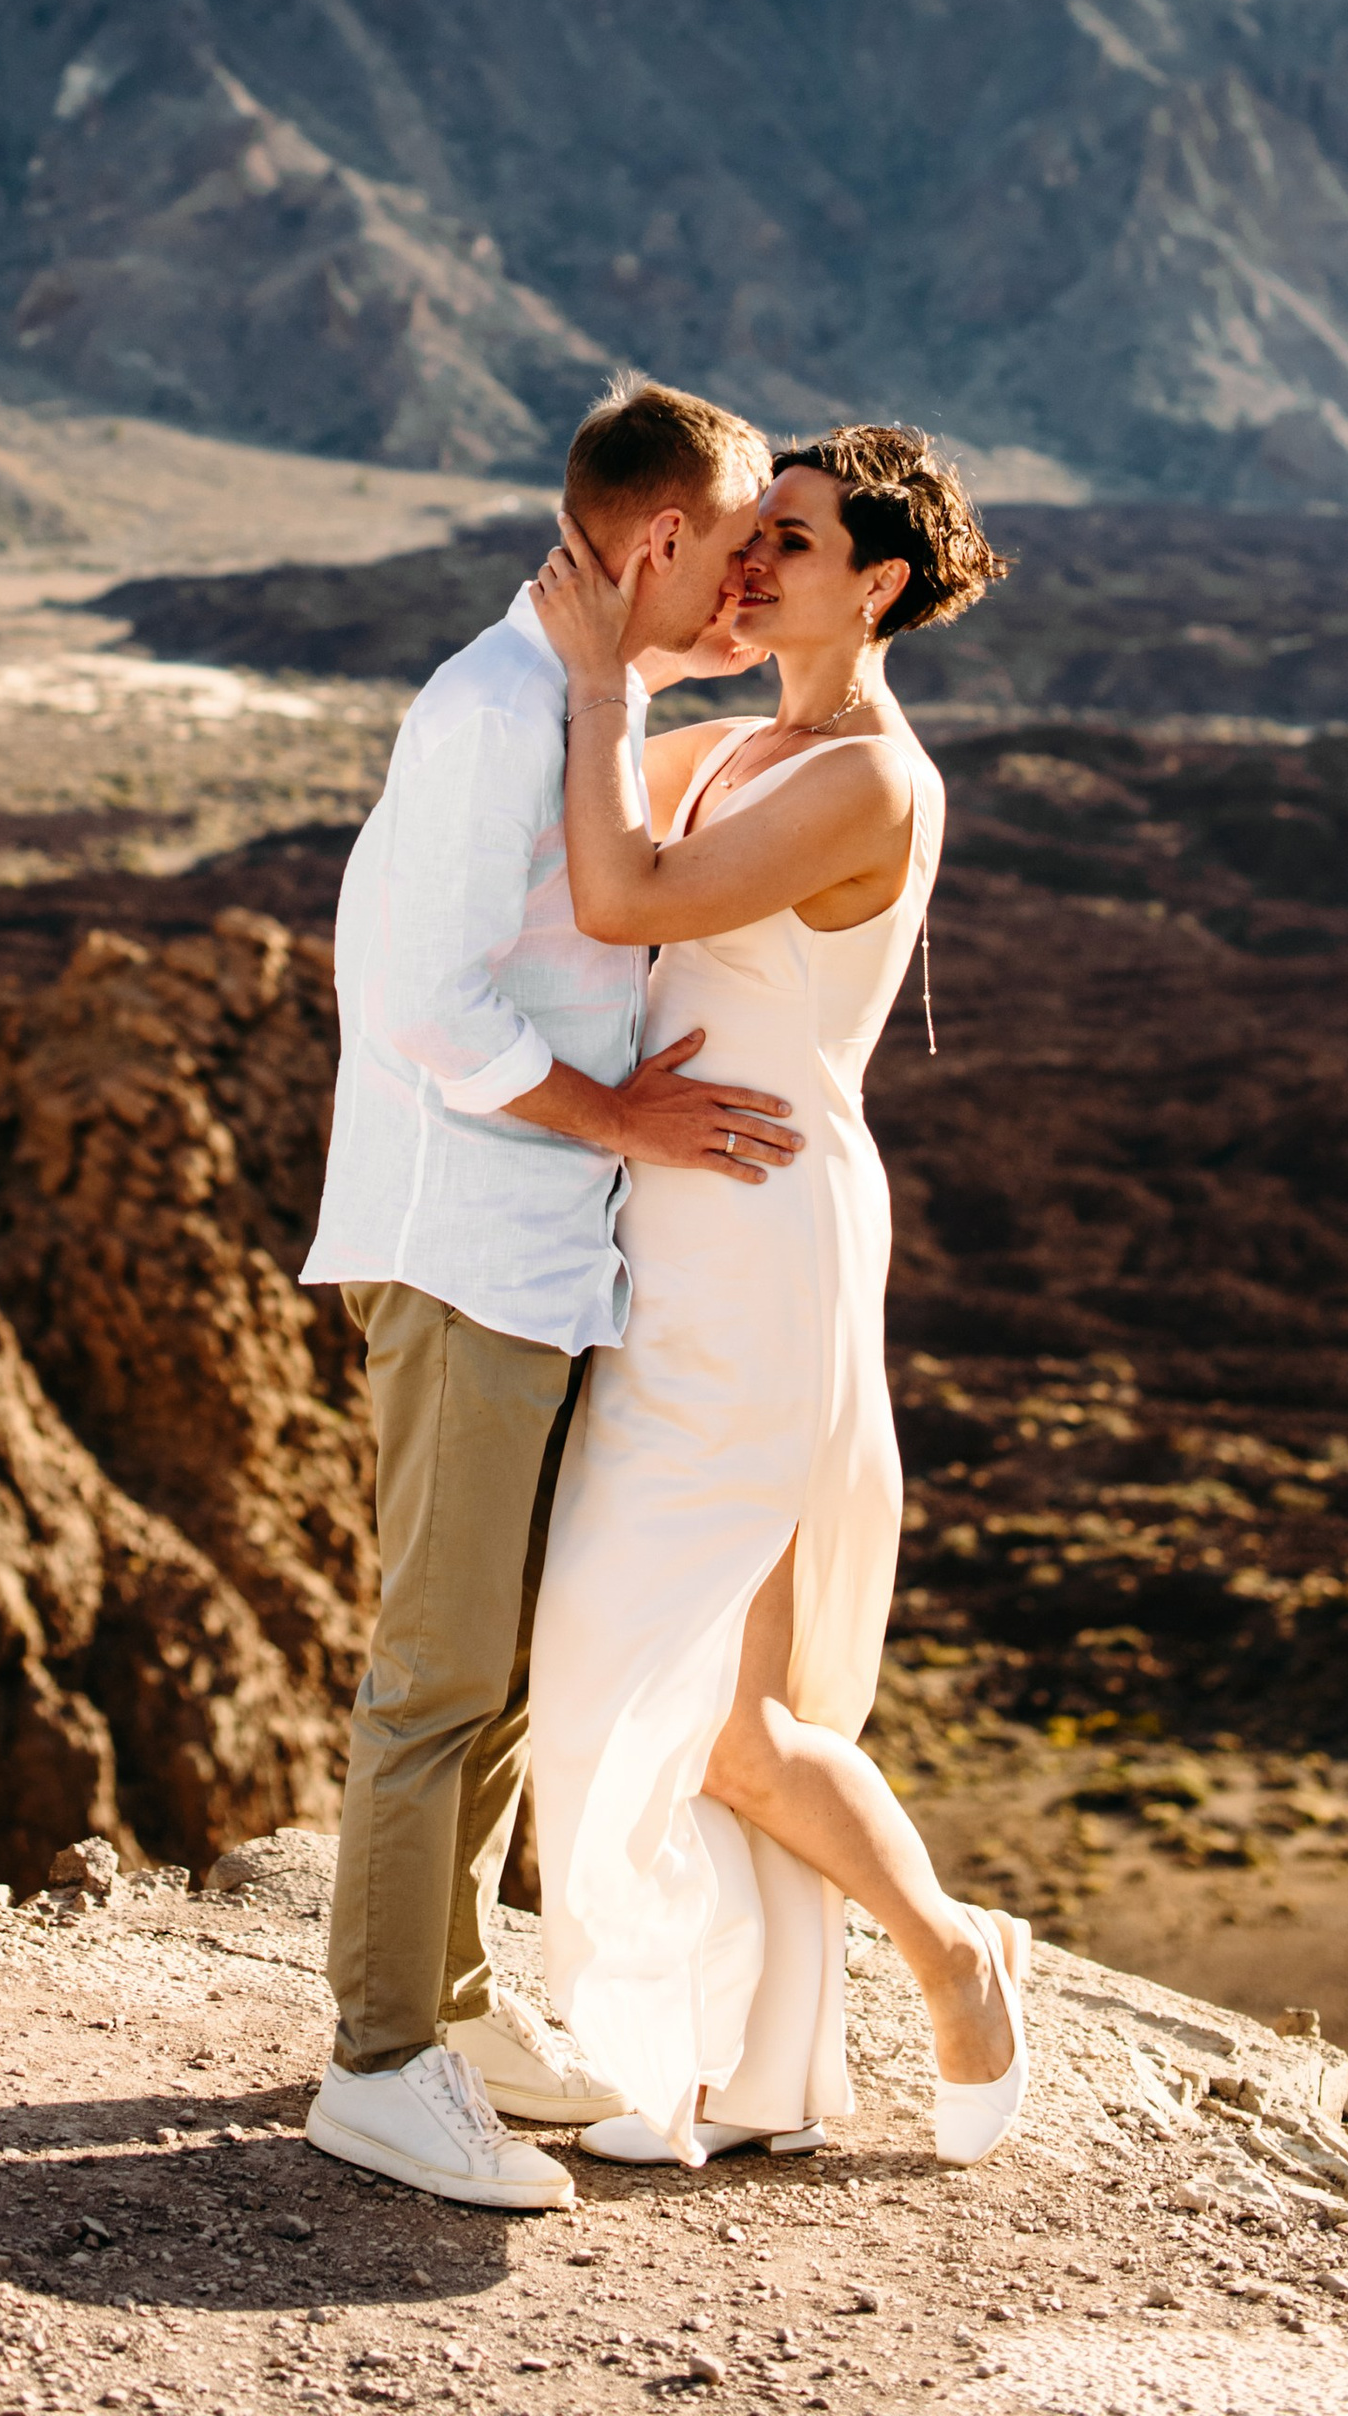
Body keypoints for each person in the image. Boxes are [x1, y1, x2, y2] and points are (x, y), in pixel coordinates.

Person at [300, 375, 802, 2214]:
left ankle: (447, 2003)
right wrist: (631, 1120)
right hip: (462, 1257)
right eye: (743, 546)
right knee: (436, 1669)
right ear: (659, 538)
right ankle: (376, 2061)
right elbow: (423, 1000)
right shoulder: (493, 709)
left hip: (537, 1259)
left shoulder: (582, 701)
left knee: (503, 1666)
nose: (751, 581)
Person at [524, 424, 1030, 2171]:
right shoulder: (748, 745)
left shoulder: (872, 779)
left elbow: (620, 888)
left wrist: (606, 684)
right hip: (677, 1221)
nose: (756, 567)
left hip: (760, 1239)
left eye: (790, 545)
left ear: (878, 585)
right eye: (753, 542)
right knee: (669, 1672)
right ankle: (720, 2055)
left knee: (706, 1704)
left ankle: (951, 1959)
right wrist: (666, 648)